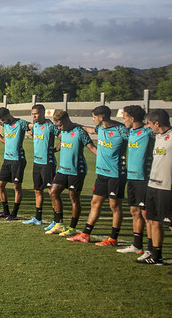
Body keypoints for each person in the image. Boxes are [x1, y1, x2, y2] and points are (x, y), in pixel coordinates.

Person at [69, 106, 129, 244]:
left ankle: (113, 238)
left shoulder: (121, 130)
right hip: (101, 174)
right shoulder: (100, 128)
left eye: (94, 117)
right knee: (95, 203)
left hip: (116, 174)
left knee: (115, 206)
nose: (93, 119)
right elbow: (91, 130)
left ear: (101, 117)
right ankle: (85, 234)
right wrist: (77, 126)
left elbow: (134, 139)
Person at [45, 110, 97, 236]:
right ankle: (59, 224)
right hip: (62, 169)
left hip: (76, 171)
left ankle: (72, 228)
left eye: (60, 125)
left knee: (74, 198)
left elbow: (91, 147)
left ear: (67, 120)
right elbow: (62, 143)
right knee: (53, 192)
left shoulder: (80, 132)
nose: (59, 128)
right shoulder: (63, 131)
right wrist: (53, 150)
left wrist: (104, 157)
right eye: (57, 126)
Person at [135, 109, 172, 269]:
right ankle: (156, 255)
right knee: (152, 220)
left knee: (170, 223)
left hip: (167, 187)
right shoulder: (157, 136)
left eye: (150, 124)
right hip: (152, 185)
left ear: (157, 123)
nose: (148, 126)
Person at [117, 105, 154, 255]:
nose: (123, 121)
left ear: (132, 118)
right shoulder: (130, 132)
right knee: (134, 211)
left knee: (146, 214)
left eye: (124, 118)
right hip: (131, 177)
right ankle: (137, 245)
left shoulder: (148, 132)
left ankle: (151, 249)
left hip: (143, 178)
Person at [23, 104, 60, 226]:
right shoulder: (35, 127)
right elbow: (32, 133)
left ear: (43, 113)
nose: (34, 116)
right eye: (33, 114)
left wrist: (56, 149)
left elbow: (63, 137)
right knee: (37, 190)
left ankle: (56, 220)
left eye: (36, 114)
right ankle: (38, 218)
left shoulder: (50, 126)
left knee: (51, 192)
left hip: (47, 164)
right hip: (37, 163)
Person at [0, 107, 30, 220]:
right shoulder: (4, 123)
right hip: (7, 159)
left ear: (8, 115)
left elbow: (32, 126)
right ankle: (6, 211)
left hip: (18, 159)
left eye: (3, 119)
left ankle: (14, 213)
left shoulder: (20, 123)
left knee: (16, 186)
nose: (2, 122)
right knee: (0, 186)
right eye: (1, 120)